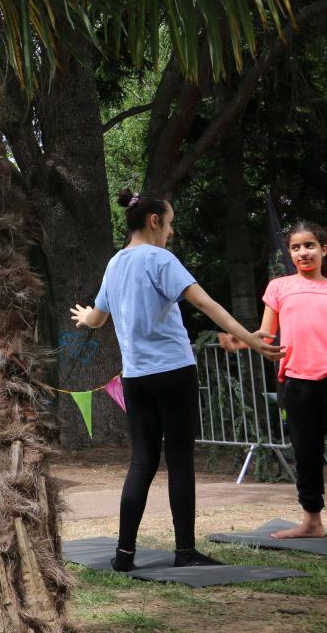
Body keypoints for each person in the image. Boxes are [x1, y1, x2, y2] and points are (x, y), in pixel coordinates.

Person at [72, 189, 283, 571]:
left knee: (142, 461)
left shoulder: (115, 263)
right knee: (181, 460)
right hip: (173, 371)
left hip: (136, 379)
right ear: (154, 221)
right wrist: (251, 338)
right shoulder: (160, 258)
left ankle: (124, 555)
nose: (170, 231)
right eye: (169, 224)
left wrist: (85, 316)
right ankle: (184, 550)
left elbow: (97, 319)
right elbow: (205, 304)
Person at [257, 220, 327, 539]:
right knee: (306, 453)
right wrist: (240, 339)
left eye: (309, 245)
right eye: (296, 247)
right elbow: (266, 334)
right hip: (297, 383)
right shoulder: (279, 287)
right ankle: (312, 521)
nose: (303, 252)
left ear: (324, 249)